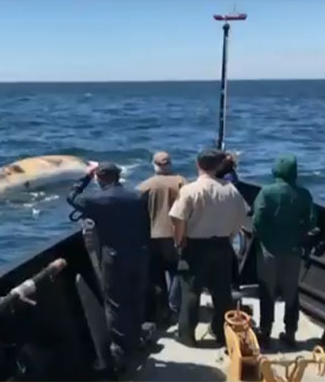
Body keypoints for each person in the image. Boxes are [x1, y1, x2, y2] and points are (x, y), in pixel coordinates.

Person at [67, 162, 152, 372]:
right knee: (136, 297)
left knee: (115, 303)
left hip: (114, 257)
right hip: (140, 255)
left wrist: (85, 178)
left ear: (99, 178)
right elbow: (145, 224)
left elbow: (72, 197)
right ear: (118, 176)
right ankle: (137, 338)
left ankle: (120, 351)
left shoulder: (95, 200)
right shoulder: (138, 196)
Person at [169, 149, 248, 346]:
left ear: (198, 165)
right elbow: (242, 216)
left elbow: (177, 218)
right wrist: (229, 235)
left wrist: (179, 240)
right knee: (222, 293)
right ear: (219, 166)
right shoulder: (231, 189)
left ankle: (187, 335)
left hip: (195, 246)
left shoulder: (190, 190)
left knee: (191, 291)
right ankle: (222, 333)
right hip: (222, 245)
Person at [252, 154, 317, 348]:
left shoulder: (267, 192)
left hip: (269, 249)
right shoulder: (304, 194)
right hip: (293, 249)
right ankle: (290, 332)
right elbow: (312, 221)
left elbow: (257, 221)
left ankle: (265, 331)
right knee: (291, 292)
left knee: (267, 290)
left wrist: (263, 235)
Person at [137, 151, 188, 323]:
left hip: (152, 235)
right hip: (175, 233)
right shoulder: (181, 182)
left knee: (156, 273)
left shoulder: (145, 185)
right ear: (170, 164)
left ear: (154, 165)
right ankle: (174, 308)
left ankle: (161, 309)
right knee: (176, 272)